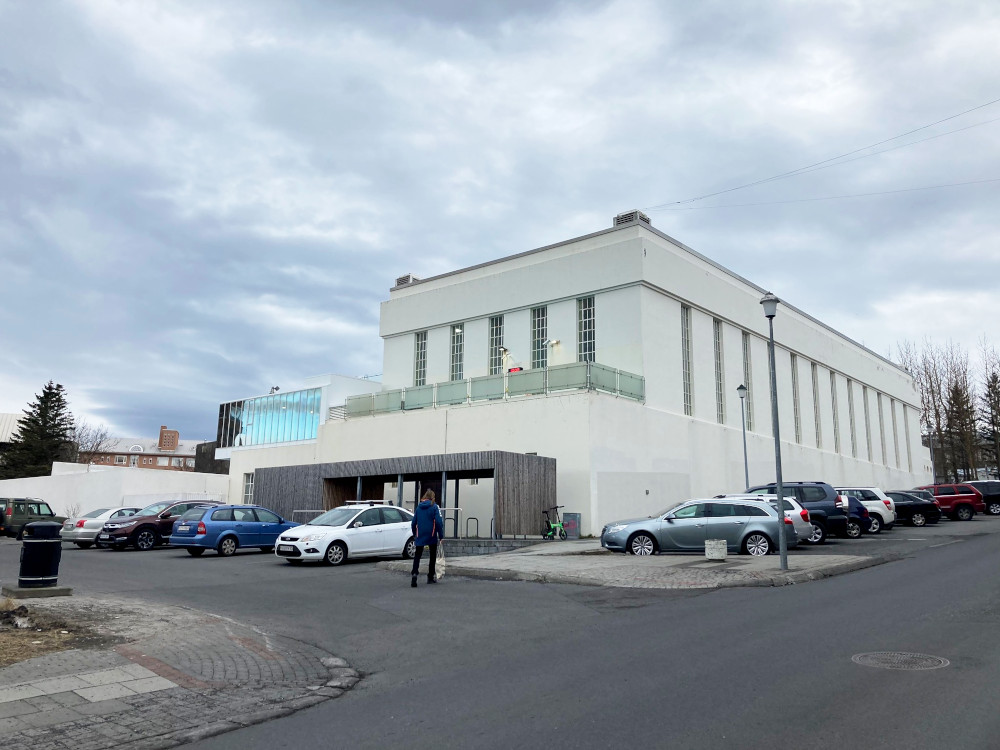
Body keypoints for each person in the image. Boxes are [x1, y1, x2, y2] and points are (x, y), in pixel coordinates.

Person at [411, 489, 444, 587]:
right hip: (431, 534)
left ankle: (414, 574)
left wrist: (415, 534)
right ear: (432, 497)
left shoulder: (418, 507)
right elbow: (438, 522)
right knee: (432, 556)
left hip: (420, 534)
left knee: (417, 555)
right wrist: (441, 535)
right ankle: (430, 576)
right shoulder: (434, 507)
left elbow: (413, 523)